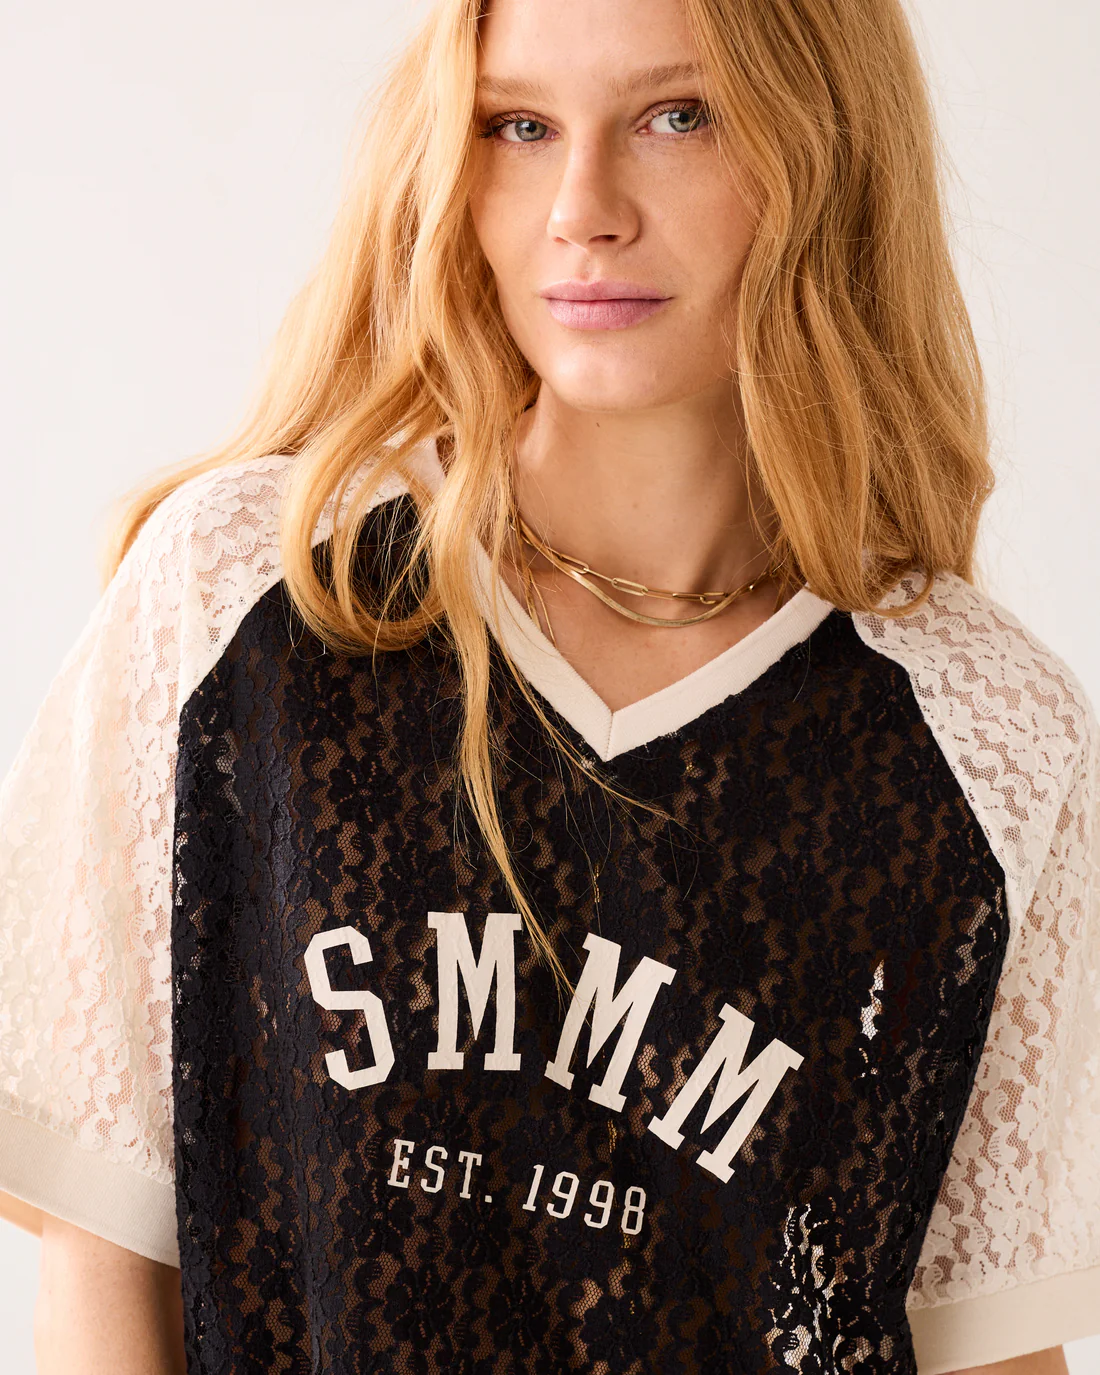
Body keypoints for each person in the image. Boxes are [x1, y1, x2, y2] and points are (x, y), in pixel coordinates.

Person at [0, 0, 1096, 1370]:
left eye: (678, 118)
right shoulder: (251, 597)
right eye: (518, 126)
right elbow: (105, 1265)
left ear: (827, 149)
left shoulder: (986, 732)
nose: (584, 209)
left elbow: (988, 1345)